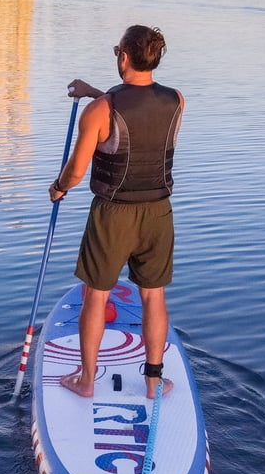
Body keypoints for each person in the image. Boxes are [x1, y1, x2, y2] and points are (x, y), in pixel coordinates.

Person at [48, 25, 184, 400]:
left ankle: (87, 380)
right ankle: (154, 383)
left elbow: (76, 171)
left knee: (96, 296)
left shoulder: (98, 111)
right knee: (153, 296)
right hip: (158, 213)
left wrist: (58, 187)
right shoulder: (177, 100)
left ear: (123, 57)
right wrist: (95, 92)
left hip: (113, 214)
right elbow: (138, 107)